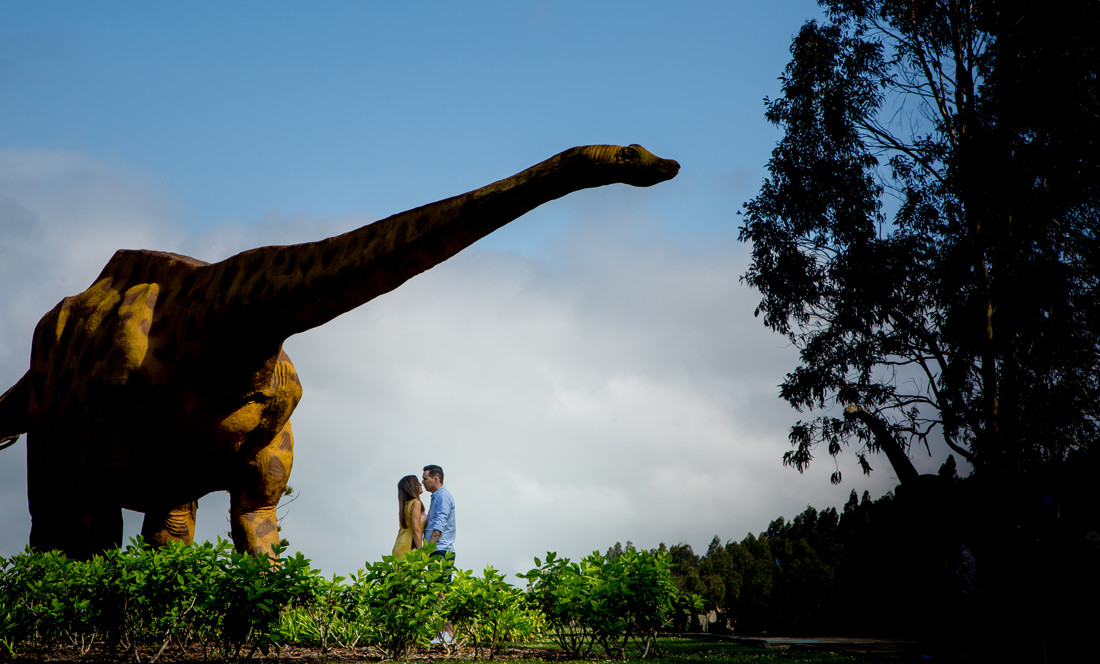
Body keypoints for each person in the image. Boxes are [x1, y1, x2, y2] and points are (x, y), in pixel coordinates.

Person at [422, 464, 456, 645]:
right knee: (438, 593)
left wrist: (428, 549)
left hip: (441, 550)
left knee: (441, 593)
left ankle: (448, 635)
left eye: (425, 478)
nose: (423, 482)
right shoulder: (436, 497)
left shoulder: (442, 496)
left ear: (436, 479)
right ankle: (445, 634)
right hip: (438, 549)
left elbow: (440, 524)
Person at [391, 474, 426, 558]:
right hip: (408, 548)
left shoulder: (405, 505)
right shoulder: (416, 503)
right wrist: (421, 552)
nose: (420, 484)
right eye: (417, 482)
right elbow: (416, 530)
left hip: (399, 546)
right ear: (412, 486)